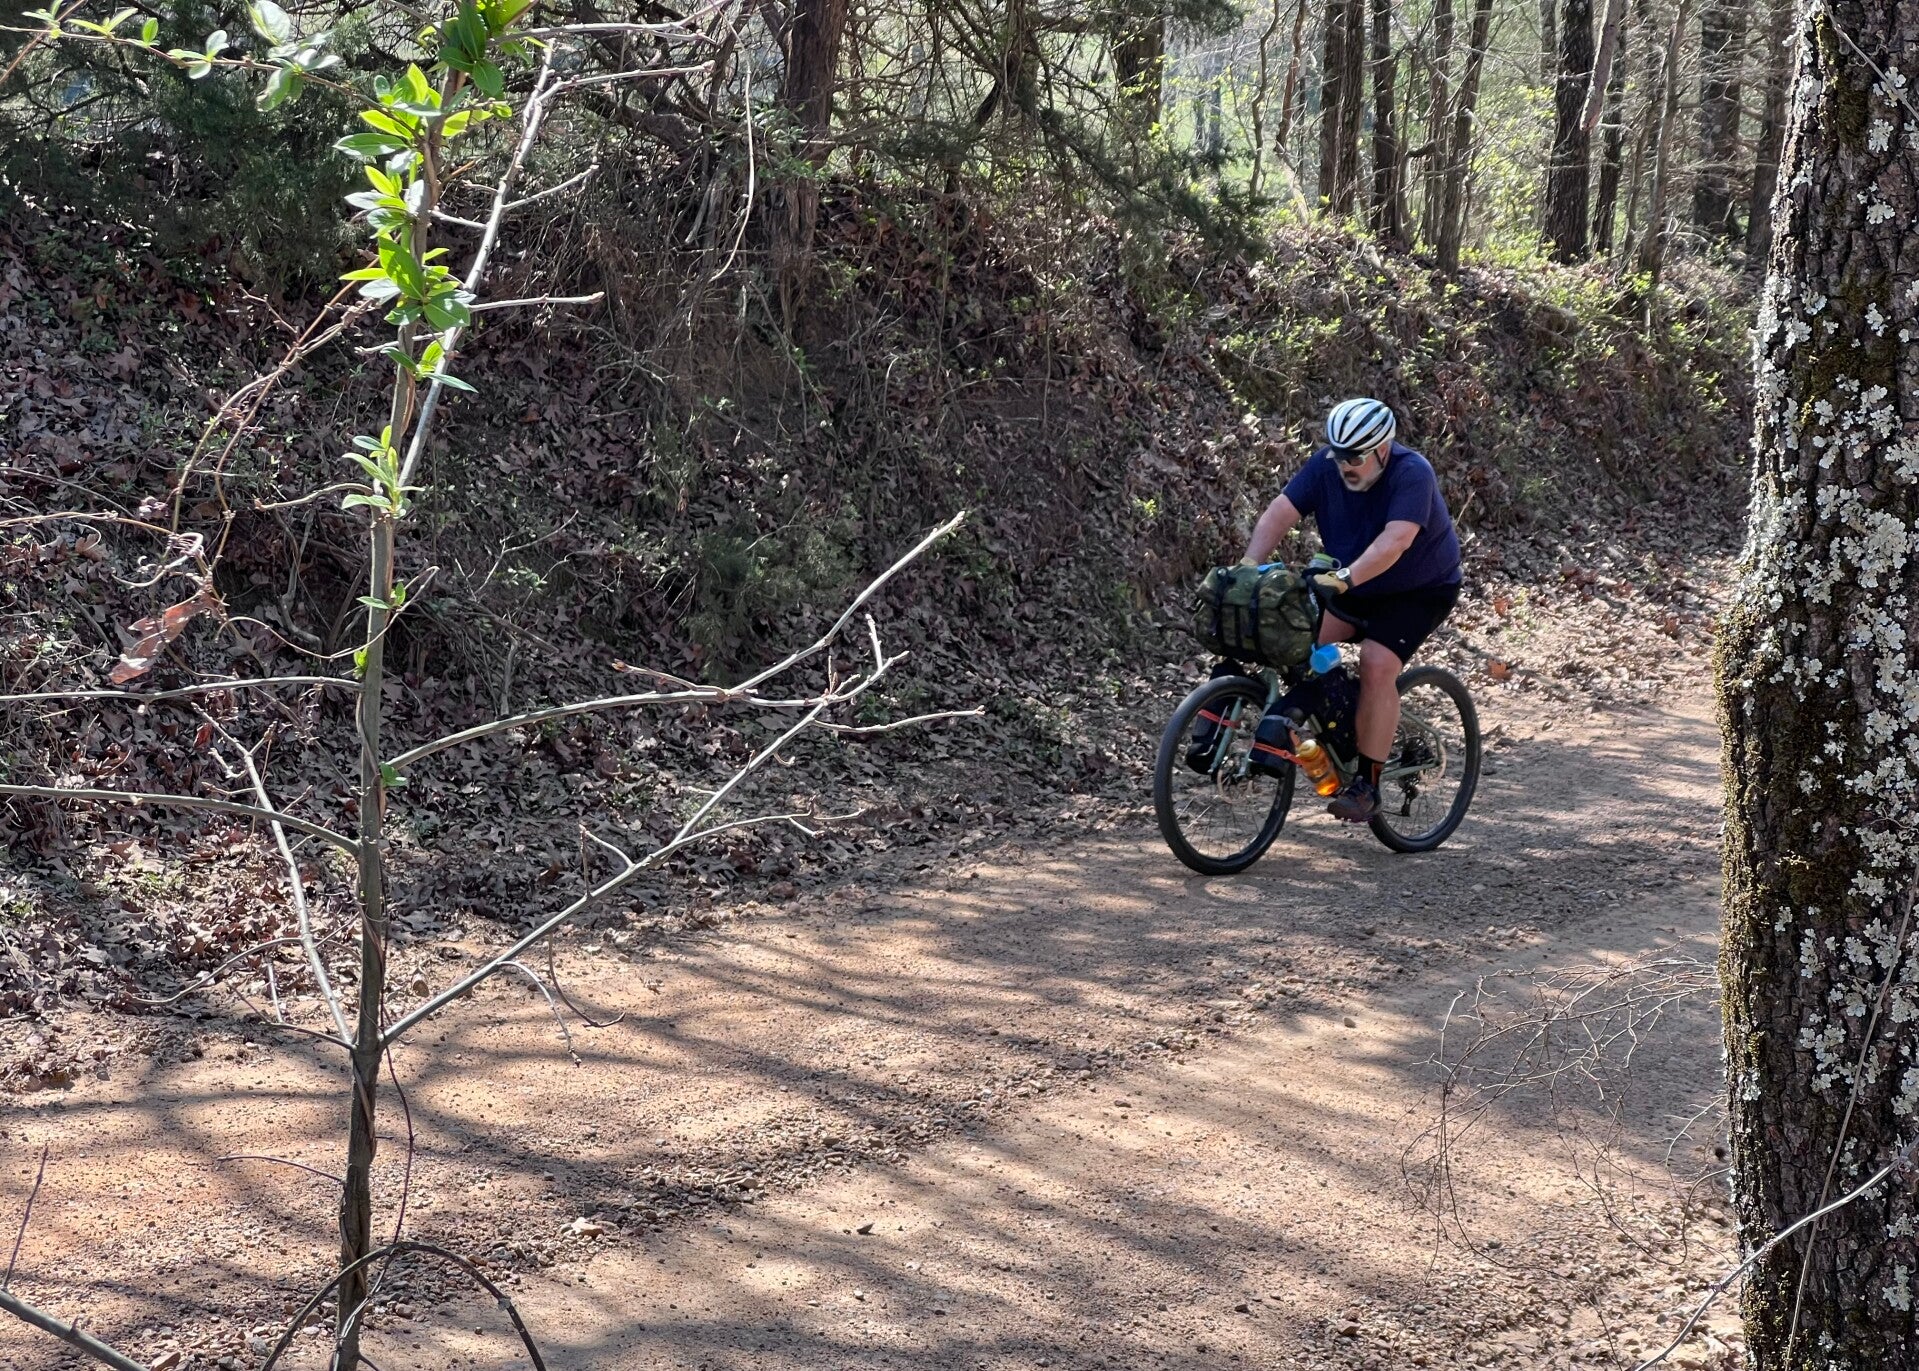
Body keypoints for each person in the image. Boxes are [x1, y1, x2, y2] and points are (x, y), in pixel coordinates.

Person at [1240, 397, 1462, 822]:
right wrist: (1249, 565)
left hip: (1420, 589)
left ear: (1383, 449)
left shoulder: (1412, 473)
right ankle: (1344, 724)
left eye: (1355, 457)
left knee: (1376, 663)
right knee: (1297, 644)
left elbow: (1395, 542)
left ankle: (1367, 785)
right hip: (1355, 580)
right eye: (1338, 454)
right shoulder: (1327, 466)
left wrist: (1346, 577)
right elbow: (1280, 513)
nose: (1345, 465)